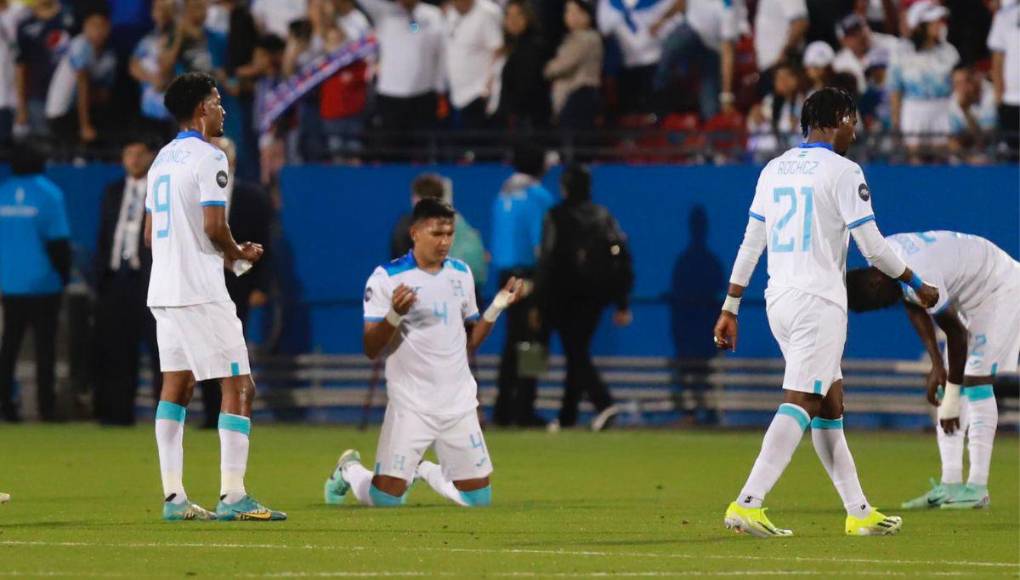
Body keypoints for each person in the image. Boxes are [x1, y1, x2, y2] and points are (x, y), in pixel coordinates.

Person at [714, 87, 939, 538]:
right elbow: (872, 246)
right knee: (804, 399)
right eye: (852, 121)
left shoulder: (774, 169)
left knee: (830, 403)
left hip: (779, 299)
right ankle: (749, 502)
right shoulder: (842, 170)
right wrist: (916, 281)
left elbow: (750, 243)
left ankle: (858, 510)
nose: (854, 131)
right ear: (837, 118)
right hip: (819, 301)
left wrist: (731, 305)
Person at [323, 198, 525, 508]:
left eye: (449, 233)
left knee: (478, 500)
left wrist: (497, 305)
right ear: (415, 232)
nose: (444, 242)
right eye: (436, 233)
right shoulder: (386, 278)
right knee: (386, 500)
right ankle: (349, 469)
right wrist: (393, 314)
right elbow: (371, 348)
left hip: (457, 402)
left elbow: (469, 341)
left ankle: (424, 469)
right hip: (412, 403)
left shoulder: (461, 274)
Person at [146, 72, 283, 521]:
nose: (223, 109)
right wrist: (237, 253)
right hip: (200, 291)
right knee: (239, 384)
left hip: (163, 288)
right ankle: (232, 494)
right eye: (218, 101)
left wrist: (218, 255)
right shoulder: (210, 157)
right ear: (202, 108)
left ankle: (174, 497)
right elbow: (212, 225)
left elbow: (151, 236)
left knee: (177, 385)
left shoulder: (161, 160)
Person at [845, 232, 1020, 511]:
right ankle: (950, 486)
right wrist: (937, 364)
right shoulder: (882, 259)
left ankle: (977, 488)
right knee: (949, 379)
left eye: (877, 304)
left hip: (1000, 287)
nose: (883, 308)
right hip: (969, 294)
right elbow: (911, 300)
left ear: (875, 282)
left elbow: (957, 335)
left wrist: (951, 398)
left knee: (975, 381)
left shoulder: (920, 270)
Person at [534, 164, 633, 431]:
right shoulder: (603, 216)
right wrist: (621, 301)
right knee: (576, 352)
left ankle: (603, 403)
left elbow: (547, 259)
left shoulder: (555, 215)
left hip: (562, 294)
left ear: (564, 187)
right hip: (596, 296)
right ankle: (568, 416)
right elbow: (621, 257)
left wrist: (538, 301)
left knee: (575, 352)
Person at [196, 137, 274, 429]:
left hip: (239, 285)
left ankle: (234, 412)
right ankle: (209, 413)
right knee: (205, 349)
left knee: (232, 351)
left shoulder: (253, 197)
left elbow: (266, 246)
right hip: (202, 284)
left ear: (232, 161)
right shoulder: (195, 196)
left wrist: (260, 287)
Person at [0, 140, 71, 423]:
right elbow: (58, 244)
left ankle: (6, 406)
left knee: (9, 348)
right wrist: (63, 276)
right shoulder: (49, 194)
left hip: (11, 285)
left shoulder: (3, 193)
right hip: (44, 284)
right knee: (45, 349)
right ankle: (46, 408)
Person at [93, 138, 162, 426]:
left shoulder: (161, 193)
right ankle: (119, 414)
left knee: (160, 352)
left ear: (150, 156)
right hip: (116, 280)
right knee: (118, 350)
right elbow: (105, 235)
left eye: (138, 153)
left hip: (150, 281)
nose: (132, 159)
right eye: (127, 153)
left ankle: (166, 418)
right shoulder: (113, 192)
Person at [490, 144, 555, 427]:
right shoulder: (539, 196)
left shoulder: (502, 194)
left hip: (504, 275)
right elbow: (544, 245)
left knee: (512, 340)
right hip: (528, 275)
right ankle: (525, 409)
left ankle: (504, 409)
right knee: (533, 340)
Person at [358, 0, 444, 160]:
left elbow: (441, 51)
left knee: (422, 151)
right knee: (391, 151)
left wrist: (440, 88)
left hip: (423, 95)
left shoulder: (432, 14)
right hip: (390, 96)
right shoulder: (382, 12)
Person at [887, 1, 958, 162]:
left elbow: (955, 89)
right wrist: (896, 124)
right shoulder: (900, 51)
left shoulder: (949, 51)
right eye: (935, 22)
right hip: (913, 111)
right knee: (915, 161)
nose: (940, 25)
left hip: (942, 109)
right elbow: (895, 90)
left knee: (941, 161)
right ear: (921, 25)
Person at [652, 0, 742, 120]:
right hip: (691, 31)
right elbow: (682, 3)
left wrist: (726, 96)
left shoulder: (728, 9)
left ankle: (709, 127)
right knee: (671, 47)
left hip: (712, 52)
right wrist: (661, 21)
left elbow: (727, 54)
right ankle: (658, 99)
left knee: (710, 110)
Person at [45, 5, 117, 146]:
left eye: (102, 26)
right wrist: (85, 126)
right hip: (61, 113)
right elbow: (82, 87)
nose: (98, 31)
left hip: (85, 110)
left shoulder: (109, 55)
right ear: (85, 27)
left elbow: (104, 94)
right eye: (94, 25)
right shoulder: (79, 44)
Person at [596, 0, 681, 115]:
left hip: (657, 60)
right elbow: (604, 29)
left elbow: (677, 22)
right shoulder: (609, 3)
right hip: (624, 65)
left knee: (658, 107)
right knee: (629, 113)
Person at [14, 0, 73, 137]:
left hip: (68, 94)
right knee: (43, 142)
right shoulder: (25, 24)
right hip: (38, 95)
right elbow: (21, 66)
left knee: (67, 142)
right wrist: (21, 105)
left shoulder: (70, 16)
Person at [443, 0, 503, 131]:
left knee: (480, 145)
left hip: (479, 94)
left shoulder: (487, 13)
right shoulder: (451, 12)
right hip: (456, 94)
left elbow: (498, 51)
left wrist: (489, 87)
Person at [543, 0, 602, 131]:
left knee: (574, 140)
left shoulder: (587, 37)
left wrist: (547, 68)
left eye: (577, 12)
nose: (572, 16)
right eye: (568, 11)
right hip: (569, 96)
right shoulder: (571, 38)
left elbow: (561, 65)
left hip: (579, 94)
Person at [497, 0, 551, 131]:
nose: (513, 20)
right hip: (512, 121)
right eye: (509, 16)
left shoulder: (533, 46)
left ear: (528, 16)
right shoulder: (509, 47)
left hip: (528, 122)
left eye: (518, 15)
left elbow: (528, 87)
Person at [987, 0, 1019, 159]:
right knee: (1011, 158)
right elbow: (997, 61)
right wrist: (999, 98)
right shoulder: (1004, 16)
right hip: (1011, 102)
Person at [947, 66, 997, 163]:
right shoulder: (954, 101)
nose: (963, 88)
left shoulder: (991, 95)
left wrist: (966, 111)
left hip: (992, 149)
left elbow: (986, 138)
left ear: (975, 79)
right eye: (957, 84)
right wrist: (970, 160)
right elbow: (953, 140)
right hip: (969, 152)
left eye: (966, 81)